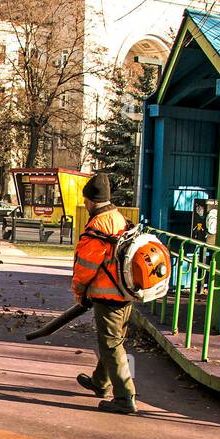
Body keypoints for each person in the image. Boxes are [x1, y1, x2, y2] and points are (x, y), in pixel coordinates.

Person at [72, 173, 138, 415]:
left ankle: (125, 397)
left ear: (90, 200)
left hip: (107, 295)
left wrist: (79, 291)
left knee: (111, 344)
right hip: (125, 292)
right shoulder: (118, 218)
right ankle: (101, 383)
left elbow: (86, 266)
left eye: (86, 200)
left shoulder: (97, 225)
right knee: (113, 340)